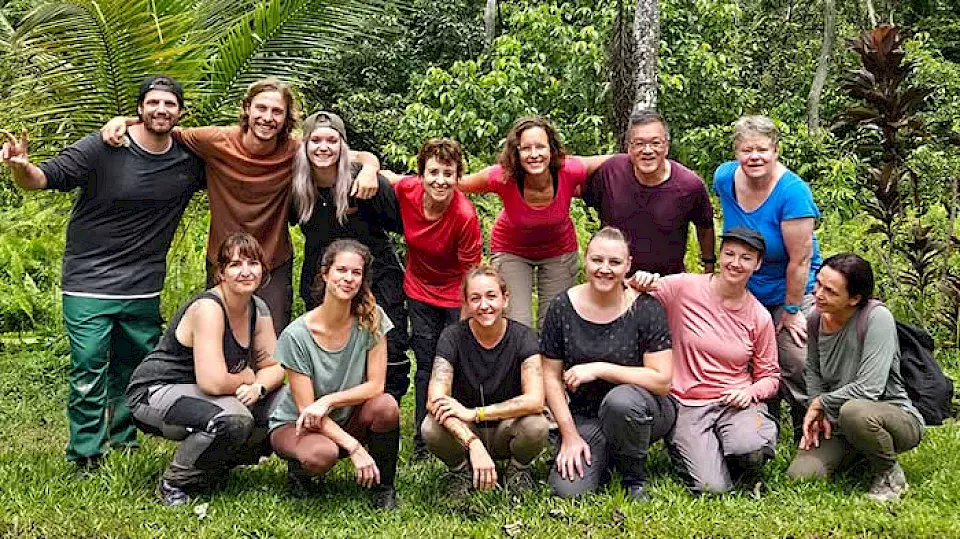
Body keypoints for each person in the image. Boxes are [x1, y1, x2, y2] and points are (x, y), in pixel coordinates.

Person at [1, 75, 204, 472]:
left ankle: (124, 441)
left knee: (135, 368)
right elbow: (43, 179)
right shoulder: (104, 146)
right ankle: (85, 453)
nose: (161, 110)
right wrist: (21, 167)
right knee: (88, 367)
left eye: (169, 104)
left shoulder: (188, 160)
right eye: (153, 103)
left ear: (180, 113)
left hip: (144, 286)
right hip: (89, 282)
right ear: (140, 108)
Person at [101, 78, 382, 333]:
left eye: (277, 112)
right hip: (223, 261)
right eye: (261, 109)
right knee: (222, 337)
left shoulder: (295, 151)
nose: (267, 118)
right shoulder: (215, 141)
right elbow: (165, 124)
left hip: (273, 261)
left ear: (286, 119)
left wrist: (369, 168)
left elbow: (350, 154)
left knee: (271, 345)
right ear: (247, 108)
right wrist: (124, 122)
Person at [126, 232, 285, 506]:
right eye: (236, 265)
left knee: (286, 402)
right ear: (221, 274)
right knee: (234, 419)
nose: (246, 272)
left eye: (253, 263)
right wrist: (246, 377)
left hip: (212, 392)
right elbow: (212, 383)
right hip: (157, 393)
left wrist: (258, 386)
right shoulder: (208, 308)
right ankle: (175, 482)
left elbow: (274, 366)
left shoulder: (258, 309)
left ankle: (213, 467)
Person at [628, 227, 779, 494]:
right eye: (729, 254)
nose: (735, 263)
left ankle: (740, 460)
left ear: (757, 264)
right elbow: (631, 292)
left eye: (746, 257)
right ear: (718, 257)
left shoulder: (759, 315)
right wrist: (637, 280)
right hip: (688, 402)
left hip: (733, 402)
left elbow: (770, 375)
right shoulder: (684, 287)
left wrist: (750, 392)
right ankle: (691, 452)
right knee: (713, 489)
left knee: (751, 448)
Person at [541, 227, 675, 499]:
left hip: (643, 409)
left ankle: (633, 478)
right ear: (585, 260)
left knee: (620, 401)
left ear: (628, 265)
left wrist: (599, 369)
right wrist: (568, 435)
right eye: (597, 260)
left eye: (614, 262)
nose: (605, 269)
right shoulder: (561, 307)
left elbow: (662, 381)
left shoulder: (645, 308)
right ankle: (606, 452)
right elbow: (550, 376)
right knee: (567, 491)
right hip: (587, 414)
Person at [269, 239, 400, 509]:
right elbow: (308, 410)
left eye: (356, 273)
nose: (348, 278)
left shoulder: (372, 318)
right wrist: (354, 448)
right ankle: (299, 472)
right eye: (341, 270)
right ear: (325, 274)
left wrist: (329, 400)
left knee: (386, 405)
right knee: (322, 454)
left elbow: (376, 385)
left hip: (344, 415)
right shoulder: (296, 335)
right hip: (298, 422)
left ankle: (384, 488)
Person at [713, 115, 822, 436]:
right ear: (736, 153)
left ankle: (812, 423)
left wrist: (790, 311)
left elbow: (800, 260)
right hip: (744, 285)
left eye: (762, 149)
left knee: (795, 357)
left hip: (791, 287)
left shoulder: (793, 194)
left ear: (775, 150)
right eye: (747, 150)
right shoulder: (724, 180)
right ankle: (761, 423)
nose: (754, 157)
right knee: (740, 356)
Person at [290, 111, 409, 405]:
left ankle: (384, 417)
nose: (323, 147)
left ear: (343, 146)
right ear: (304, 146)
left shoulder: (366, 183)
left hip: (377, 274)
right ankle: (334, 414)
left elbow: (404, 226)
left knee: (389, 346)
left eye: (332, 140)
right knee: (329, 350)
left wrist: (371, 168)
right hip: (322, 276)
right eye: (315, 140)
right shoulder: (295, 187)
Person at [787, 254, 924, 502]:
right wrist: (816, 408)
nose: (818, 294)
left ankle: (889, 474)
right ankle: (862, 451)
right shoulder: (816, 318)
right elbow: (813, 372)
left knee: (855, 412)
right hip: (839, 420)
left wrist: (821, 403)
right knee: (802, 475)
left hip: (891, 415)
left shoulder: (876, 318)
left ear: (854, 299)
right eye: (818, 284)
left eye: (830, 291)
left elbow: (869, 388)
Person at [457, 116, 614, 330]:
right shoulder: (503, 177)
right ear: (516, 152)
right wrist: (412, 183)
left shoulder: (570, 170)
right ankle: (521, 363)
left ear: (551, 149)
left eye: (540, 147)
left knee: (554, 323)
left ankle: (549, 364)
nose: (534, 155)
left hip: (558, 251)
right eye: (526, 149)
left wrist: (646, 157)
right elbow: (458, 184)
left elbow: (614, 161)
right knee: (517, 323)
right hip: (512, 250)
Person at [422, 265, 549, 497]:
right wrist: (472, 442)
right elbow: (435, 399)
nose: (484, 305)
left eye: (491, 296)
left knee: (537, 425)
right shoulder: (452, 337)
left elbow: (535, 400)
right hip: (465, 430)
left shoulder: (524, 337)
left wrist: (476, 413)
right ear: (467, 304)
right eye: (475, 298)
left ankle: (518, 470)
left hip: (507, 427)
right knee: (430, 427)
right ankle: (461, 471)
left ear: (505, 299)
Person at [393, 138, 483, 460]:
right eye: (433, 172)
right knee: (425, 364)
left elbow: (472, 273)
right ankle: (422, 440)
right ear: (421, 174)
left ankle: (462, 431)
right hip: (418, 289)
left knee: (455, 362)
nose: (440, 180)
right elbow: (380, 176)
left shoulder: (464, 216)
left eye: (448, 173)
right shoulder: (407, 192)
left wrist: (465, 316)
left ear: (458, 177)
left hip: (454, 294)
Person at [585, 109, 715, 276]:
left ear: (666, 147)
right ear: (629, 148)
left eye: (655, 143)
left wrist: (709, 269)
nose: (647, 150)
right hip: (614, 280)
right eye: (639, 143)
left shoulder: (689, 185)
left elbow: (705, 226)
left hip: (666, 284)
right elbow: (570, 184)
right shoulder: (611, 171)